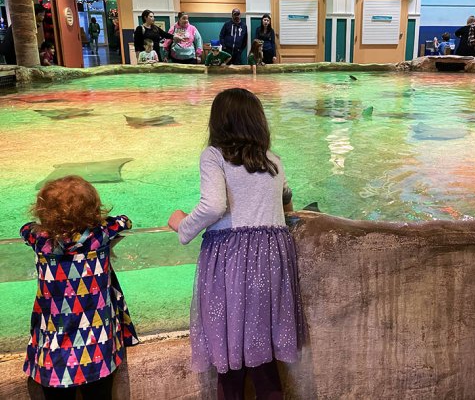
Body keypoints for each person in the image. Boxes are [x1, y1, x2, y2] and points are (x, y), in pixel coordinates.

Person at [167, 88, 304, 400]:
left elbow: (214, 206)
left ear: (218, 123)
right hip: (271, 259)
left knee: (229, 358)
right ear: (258, 123)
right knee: (264, 358)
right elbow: (286, 201)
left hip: (231, 261)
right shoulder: (274, 161)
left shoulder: (213, 156)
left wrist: (182, 224)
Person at [20, 175, 139, 400]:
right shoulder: (100, 236)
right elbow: (124, 221)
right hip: (96, 349)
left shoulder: (40, 240)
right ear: (94, 211)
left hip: (52, 354)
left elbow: (24, 229)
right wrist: (103, 221)